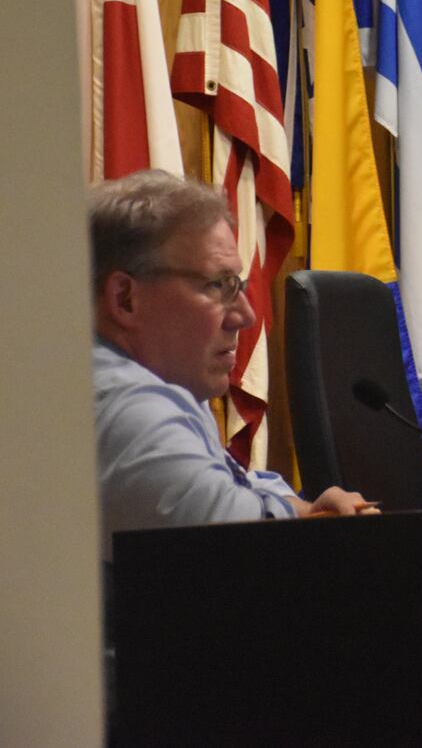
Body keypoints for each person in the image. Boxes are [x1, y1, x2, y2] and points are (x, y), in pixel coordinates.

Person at [92, 171, 374, 563]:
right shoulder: (128, 408)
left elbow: (242, 488)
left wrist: (299, 509)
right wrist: (303, 512)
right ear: (125, 299)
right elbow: (242, 545)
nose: (244, 315)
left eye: (237, 284)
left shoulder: (149, 382)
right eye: (218, 285)